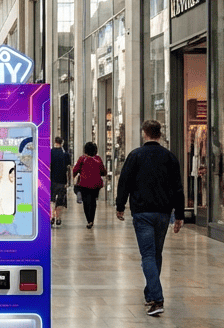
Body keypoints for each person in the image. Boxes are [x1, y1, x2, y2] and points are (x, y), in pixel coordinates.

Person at [115, 119, 185, 317]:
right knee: (156, 254)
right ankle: (150, 294)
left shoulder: (135, 155)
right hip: (163, 213)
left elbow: (125, 182)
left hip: (142, 212)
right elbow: (178, 188)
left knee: (147, 254)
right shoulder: (170, 157)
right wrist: (179, 214)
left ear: (144, 133)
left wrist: (120, 205)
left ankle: (157, 298)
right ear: (159, 134)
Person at [72, 141, 107, 229]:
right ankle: (92, 219)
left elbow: (75, 170)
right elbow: (103, 171)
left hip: (84, 184)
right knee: (93, 202)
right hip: (96, 184)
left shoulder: (82, 159)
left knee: (86, 202)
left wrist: (74, 176)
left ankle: (89, 220)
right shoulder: (98, 159)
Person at [50, 136, 70, 227]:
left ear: (55, 142)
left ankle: (52, 216)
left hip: (52, 179)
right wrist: (68, 182)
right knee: (60, 200)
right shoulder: (65, 154)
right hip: (62, 180)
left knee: (52, 199)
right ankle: (58, 218)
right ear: (62, 143)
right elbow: (68, 168)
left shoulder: (50, 152)